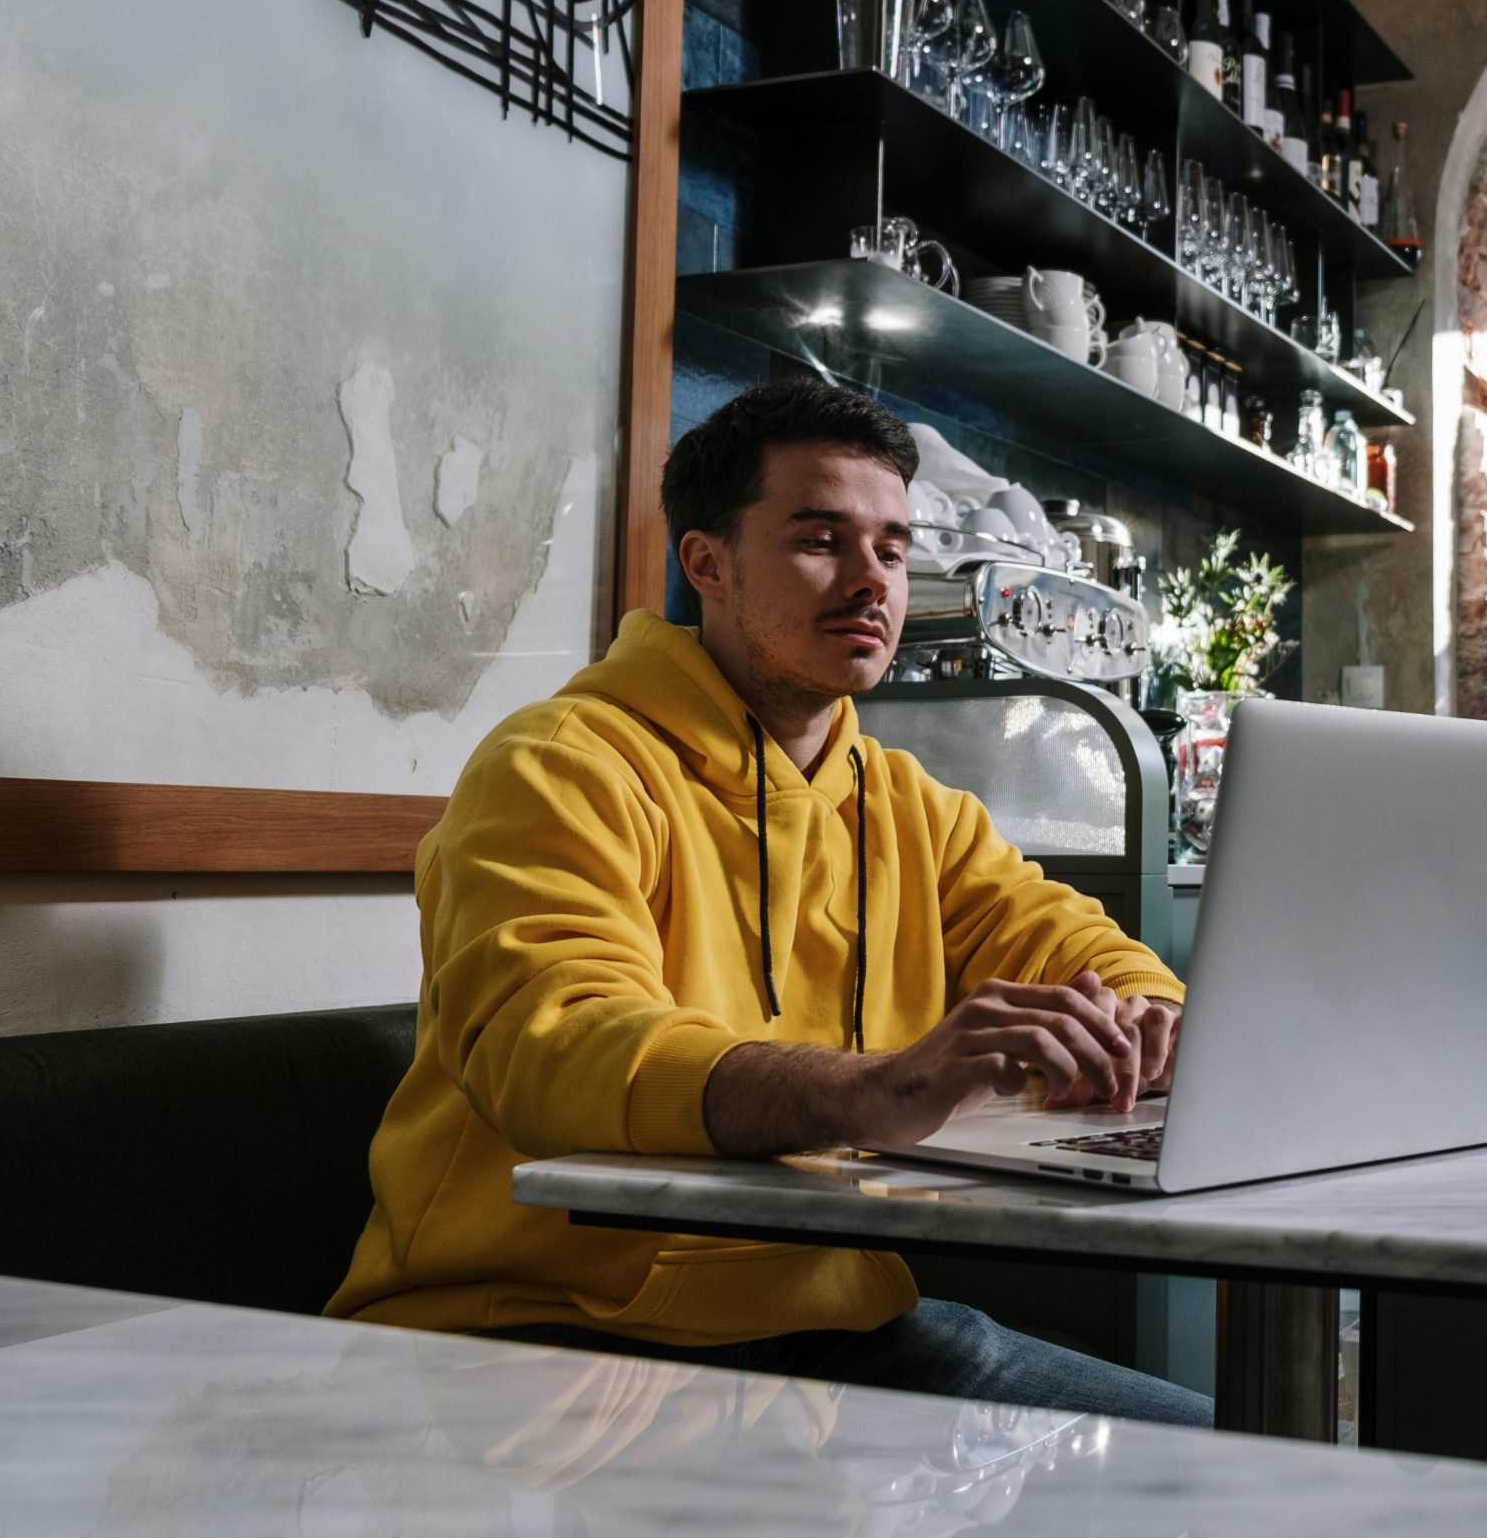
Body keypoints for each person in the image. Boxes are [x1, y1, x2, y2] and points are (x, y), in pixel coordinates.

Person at [327, 376, 1207, 1425]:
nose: (870, 580)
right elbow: (551, 1041)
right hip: (537, 1341)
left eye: (891, 547)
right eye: (819, 539)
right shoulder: (557, 765)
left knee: (1244, 1468)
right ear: (706, 562)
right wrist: (868, 1088)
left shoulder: (910, 806)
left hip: (840, 1335)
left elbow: (1069, 942)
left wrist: (1147, 1018)